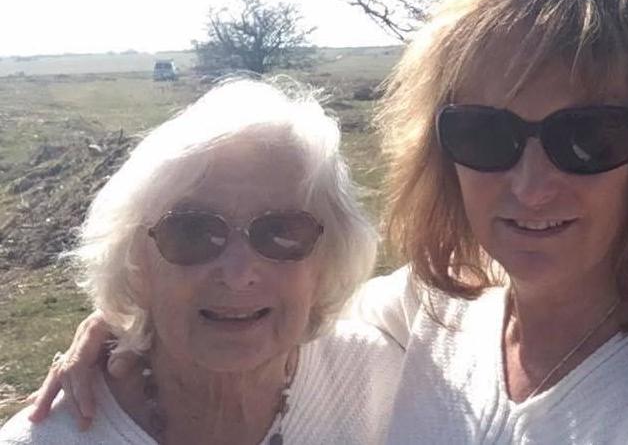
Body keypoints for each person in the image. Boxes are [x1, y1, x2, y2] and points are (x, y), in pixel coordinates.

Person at [25, 0, 628, 444]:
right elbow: (266, 301)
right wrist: (133, 320)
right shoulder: (436, 307)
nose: (531, 186)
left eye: (587, 137)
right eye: (487, 135)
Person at [0, 80, 401, 444]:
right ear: (136, 261)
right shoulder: (50, 438)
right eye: (191, 232)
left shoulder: (380, 381)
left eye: (282, 232)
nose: (238, 274)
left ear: (327, 261)